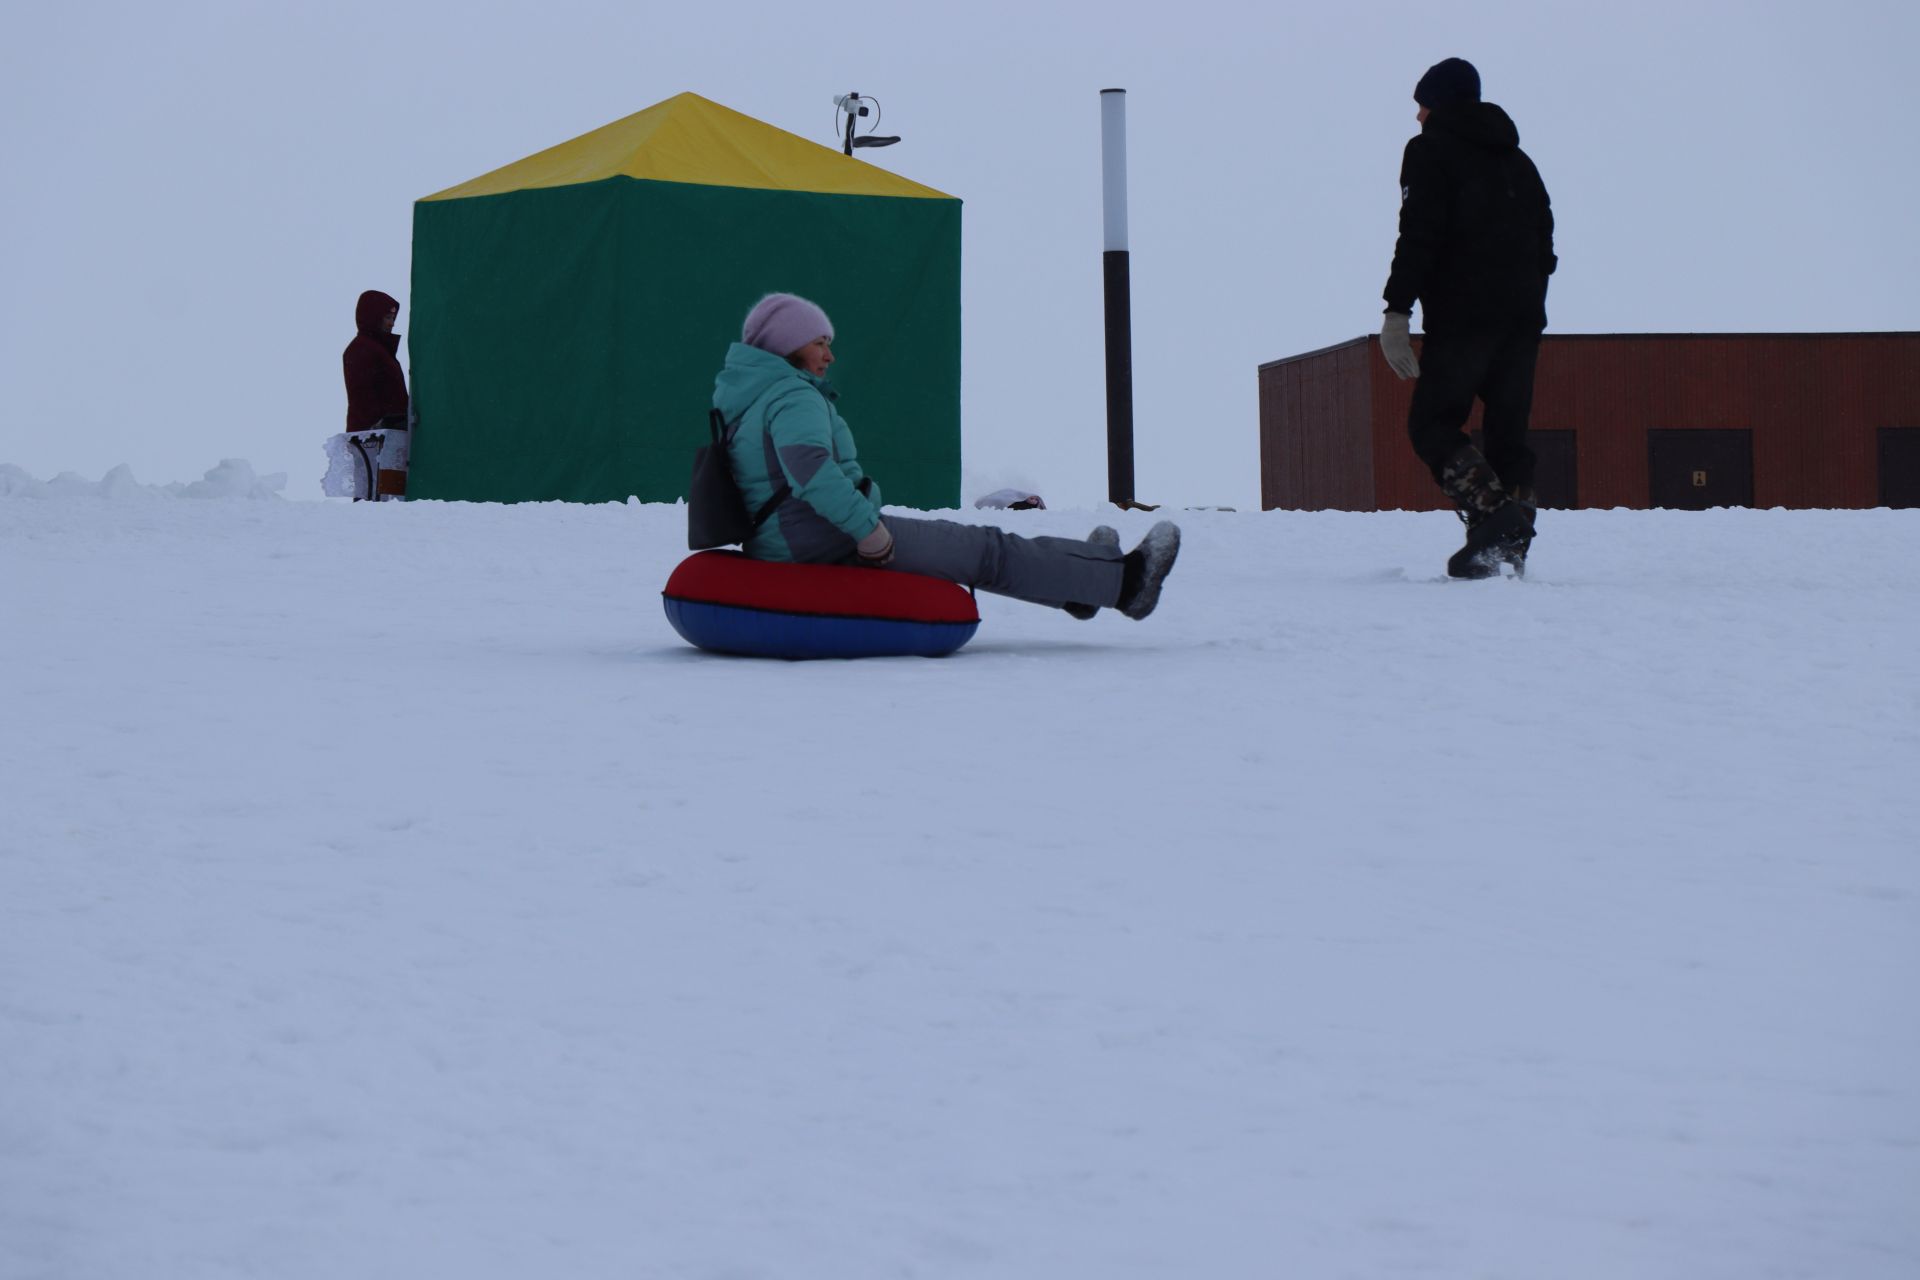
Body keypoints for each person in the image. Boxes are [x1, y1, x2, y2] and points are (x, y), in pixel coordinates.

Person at [713, 293, 1180, 619]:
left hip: (794, 538)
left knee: (985, 548)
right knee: (988, 551)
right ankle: (1127, 586)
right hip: (825, 538)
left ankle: (1082, 576)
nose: (829, 355)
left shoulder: (752, 397)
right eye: (820, 342)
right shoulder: (792, 397)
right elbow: (811, 472)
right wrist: (868, 532)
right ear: (788, 345)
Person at [1380, 58, 1556, 577]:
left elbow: (1419, 234)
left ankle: (1494, 519)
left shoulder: (1429, 151)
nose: (1416, 115)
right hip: (1523, 319)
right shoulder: (1519, 161)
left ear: (1440, 104)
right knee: (1507, 434)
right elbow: (1545, 239)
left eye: (1422, 103)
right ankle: (1506, 544)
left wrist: (1397, 310)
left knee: (1432, 423)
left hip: (1463, 317)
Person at [343, 290, 408, 431]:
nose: (392, 324)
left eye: (393, 318)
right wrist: (380, 424)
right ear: (373, 318)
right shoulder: (361, 350)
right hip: (374, 439)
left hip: (389, 431)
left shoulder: (380, 349)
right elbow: (363, 399)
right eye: (387, 318)